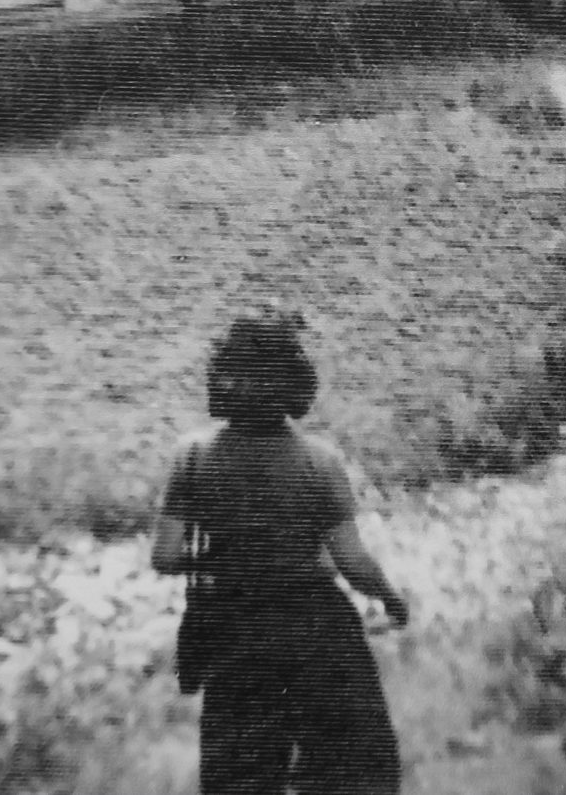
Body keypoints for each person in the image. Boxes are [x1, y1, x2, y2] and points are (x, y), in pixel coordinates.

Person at [151, 312, 408, 795]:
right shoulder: (319, 459)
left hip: (234, 632)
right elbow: (352, 562)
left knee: (240, 781)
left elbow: (164, 557)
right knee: (354, 773)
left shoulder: (190, 455)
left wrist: (227, 560)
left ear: (223, 378)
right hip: (318, 630)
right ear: (294, 383)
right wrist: (392, 600)